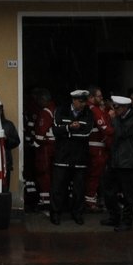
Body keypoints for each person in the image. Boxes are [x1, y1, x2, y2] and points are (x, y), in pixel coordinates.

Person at [47, 89, 95, 224]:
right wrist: (70, 128)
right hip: (62, 157)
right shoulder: (61, 111)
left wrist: (66, 132)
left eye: (84, 102)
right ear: (74, 100)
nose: (83, 104)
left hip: (80, 159)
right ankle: (56, 214)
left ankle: (77, 214)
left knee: (78, 189)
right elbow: (56, 130)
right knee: (58, 188)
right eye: (81, 101)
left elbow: (87, 133)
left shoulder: (88, 113)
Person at [103, 93, 133, 230]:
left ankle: (127, 222)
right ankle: (115, 216)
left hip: (128, 162)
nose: (115, 110)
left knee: (128, 194)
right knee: (108, 189)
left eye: (117, 108)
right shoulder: (121, 118)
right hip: (116, 160)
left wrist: (114, 119)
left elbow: (120, 132)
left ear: (125, 107)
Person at [84, 85, 113, 211]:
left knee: (91, 175)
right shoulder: (94, 110)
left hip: (91, 147)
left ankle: (89, 199)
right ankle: (90, 201)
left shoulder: (87, 108)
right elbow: (105, 128)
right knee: (94, 176)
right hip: (97, 149)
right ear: (91, 97)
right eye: (99, 96)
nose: (102, 98)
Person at [28, 88, 56, 211]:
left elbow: (40, 134)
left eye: (39, 100)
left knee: (43, 173)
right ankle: (49, 199)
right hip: (52, 146)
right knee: (49, 173)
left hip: (44, 148)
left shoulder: (45, 112)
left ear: (43, 100)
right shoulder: (54, 109)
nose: (38, 102)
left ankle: (45, 201)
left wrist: (33, 145)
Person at [0, 101, 20, 193]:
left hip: (6, 163)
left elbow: (16, 141)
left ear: (1, 110)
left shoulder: (8, 125)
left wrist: (6, 139)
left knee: (5, 190)